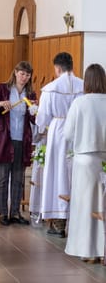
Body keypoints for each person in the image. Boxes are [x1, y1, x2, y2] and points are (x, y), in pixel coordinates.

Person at [35, 52, 83, 237]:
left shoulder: (50, 88)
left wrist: (39, 130)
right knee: (75, 174)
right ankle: (77, 220)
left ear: (57, 68)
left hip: (58, 132)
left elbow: (42, 118)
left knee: (57, 174)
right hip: (79, 133)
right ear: (72, 66)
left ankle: (58, 222)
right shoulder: (83, 86)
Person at [0, 61, 36, 226]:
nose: (24, 77)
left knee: (19, 179)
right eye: (22, 73)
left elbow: (34, 118)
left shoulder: (30, 94)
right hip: (4, 140)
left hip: (22, 139)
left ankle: (15, 212)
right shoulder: (3, 88)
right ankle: (3, 213)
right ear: (15, 72)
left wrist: (35, 111)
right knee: (2, 179)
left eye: (27, 75)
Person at [64, 63, 106, 263]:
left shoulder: (80, 103)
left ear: (87, 81)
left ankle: (86, 250)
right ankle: (102, 249)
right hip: (104, 159)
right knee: (102, 205)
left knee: (84, 206)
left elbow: (68, 134)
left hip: (84, 160)